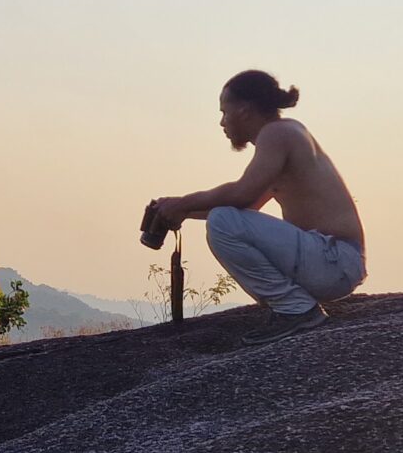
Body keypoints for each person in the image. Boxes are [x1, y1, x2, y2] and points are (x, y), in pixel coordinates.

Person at [150, 69, 366, 344]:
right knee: (223, 218)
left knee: (222, 220)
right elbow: (246, 206)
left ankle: (295, 310)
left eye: (224, 112)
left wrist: (182, 202)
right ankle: (295, 307)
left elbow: (241, 194)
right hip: (334, 262)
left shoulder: (278, 134)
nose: (221, 122)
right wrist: (180, 211)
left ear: (245, 110)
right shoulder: (284, 136)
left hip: (334, 259)